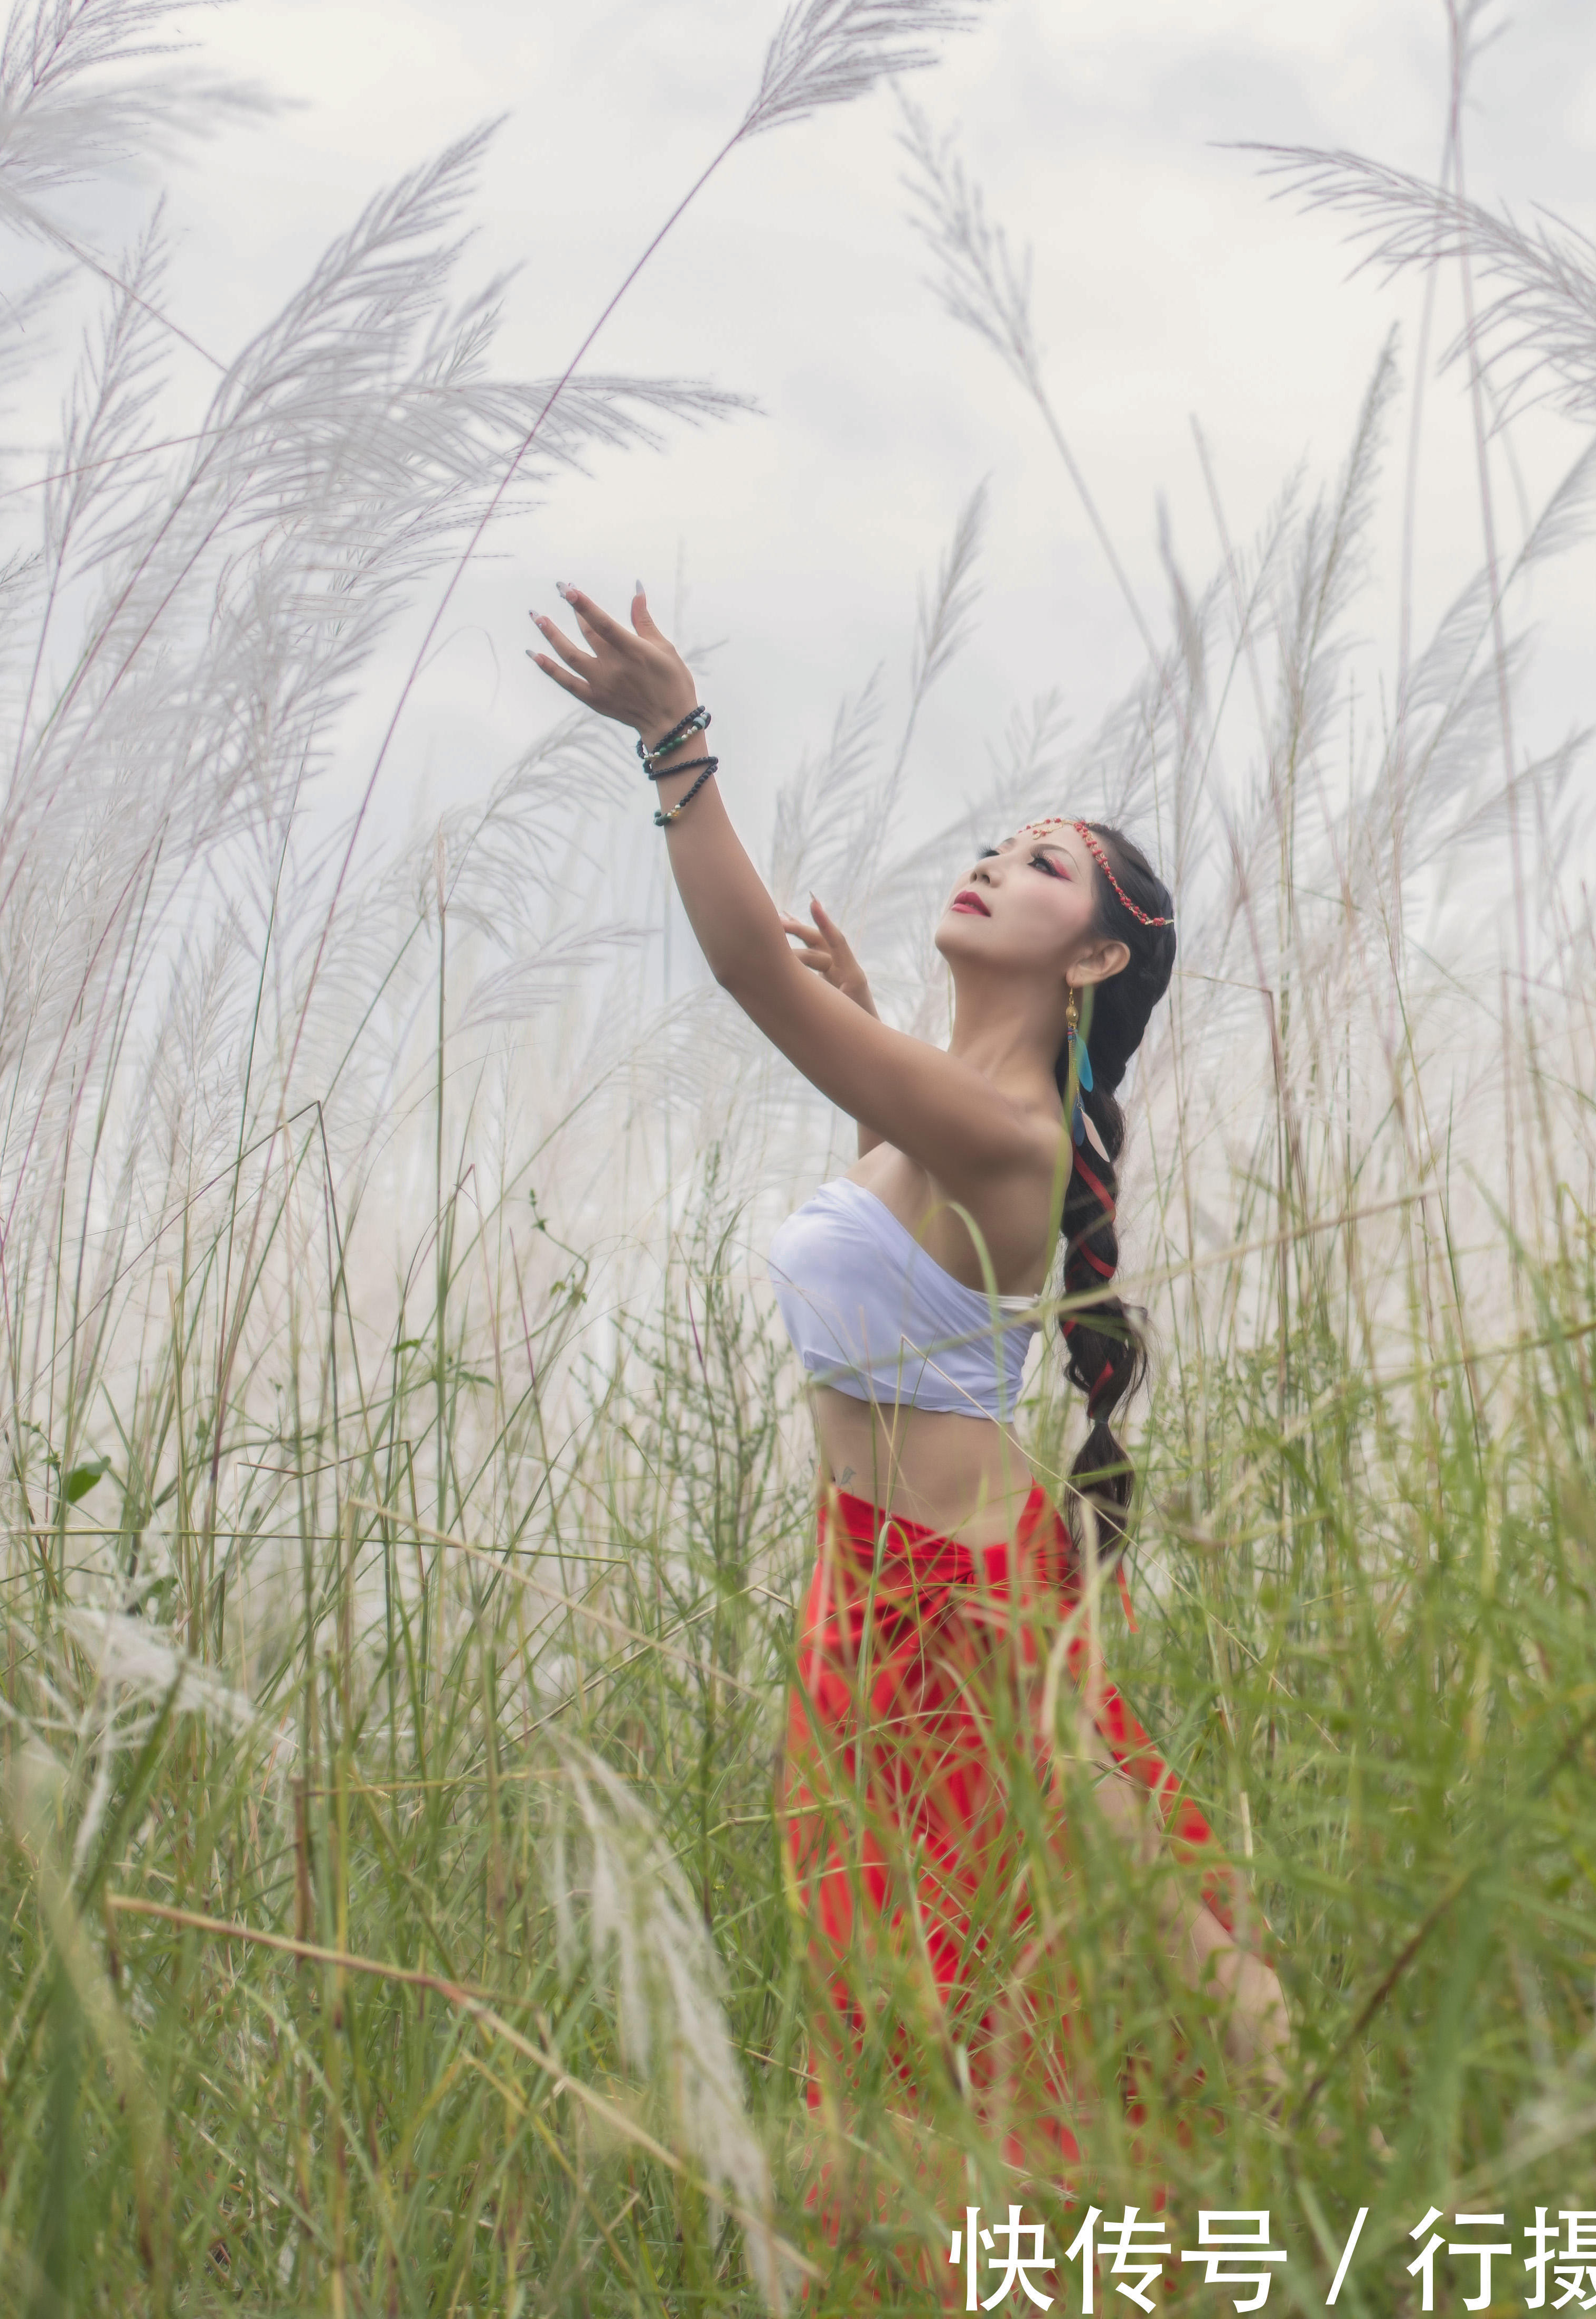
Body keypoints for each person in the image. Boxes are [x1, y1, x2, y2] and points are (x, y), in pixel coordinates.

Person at [527, 581, 1288, 2198]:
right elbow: (898, 1267)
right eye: (999, 844)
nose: (993, 863)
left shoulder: (999, 1133)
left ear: (1090, 954)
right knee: (928, 2002)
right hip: (869, 1598)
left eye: (1040, 868)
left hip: (958, 1605)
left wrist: (677, 739)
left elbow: (745, 971)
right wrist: (874, 1028)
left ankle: (1321, 2155)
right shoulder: (952, 1121)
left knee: (1040, 1970)